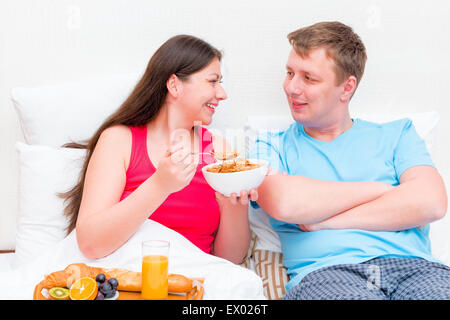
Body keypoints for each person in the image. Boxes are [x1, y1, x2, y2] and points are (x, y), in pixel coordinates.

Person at [250, 21, 450, 299]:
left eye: (308, 78)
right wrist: (382, 191)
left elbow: (431, 202)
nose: (291, 87)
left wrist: (323, 222)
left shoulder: (398, 134)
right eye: (290, 73)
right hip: (328, 274)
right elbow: (285, 202)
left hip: (418, 270)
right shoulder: (270, 144)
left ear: (346, 88)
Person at [61, 35, 257, 264]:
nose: (222, 94)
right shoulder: (119, 141)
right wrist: (160, 185)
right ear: (174, 84)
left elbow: (229, 260)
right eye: (213, 81)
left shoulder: (218, 150)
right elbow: (90, 244)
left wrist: (235, 207)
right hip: (128, 279)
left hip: (195, 283)